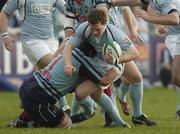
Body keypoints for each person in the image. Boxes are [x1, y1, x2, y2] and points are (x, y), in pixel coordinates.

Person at [6, 8, 137, 128]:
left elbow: (135, 53)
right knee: (69, 120)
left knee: (86, 92)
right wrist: (69, 64)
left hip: (29, 85)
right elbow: (70, 46)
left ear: (105, 23)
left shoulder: (115, 34)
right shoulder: (84, 33)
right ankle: (85, 114)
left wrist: (116, 61)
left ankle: (105, 118)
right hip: (40, 96)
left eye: (98, 29)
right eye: (92, 29)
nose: (95, 33)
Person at [0, 0, 71, 114]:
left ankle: (28, 101)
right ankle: (65, 107)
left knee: (42, 73)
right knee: (53, 67)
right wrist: (5, 35)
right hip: (31, 41)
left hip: (51, 40)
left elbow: (68, 10)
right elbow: (4, 13)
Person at [133, 0, 180, 118]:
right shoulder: (151, 6)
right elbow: (159, 29)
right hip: (173, 38)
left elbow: (174, 19)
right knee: (177, 78)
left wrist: (149, 19)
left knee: (177, 76)